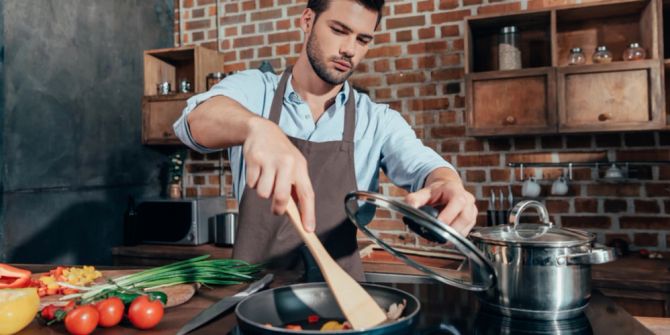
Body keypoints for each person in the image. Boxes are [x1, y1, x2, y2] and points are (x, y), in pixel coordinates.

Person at [173, 0, 477, 281]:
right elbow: (194, 121)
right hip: (255, 296)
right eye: (339, 30)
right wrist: (257, 127)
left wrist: (446, 183)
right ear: (307, 21)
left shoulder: (377, 120)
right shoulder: (256, 91)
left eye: (362, 39)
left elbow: (425, 165)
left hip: (342, 298)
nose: (350, 50)